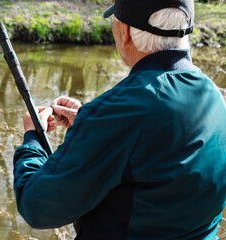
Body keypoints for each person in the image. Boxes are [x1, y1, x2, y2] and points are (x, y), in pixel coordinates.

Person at [13, 0, 226, 239]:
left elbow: (37, 207)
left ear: (124, 32)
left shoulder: (119, 111)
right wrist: (90, 127)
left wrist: (32, 138)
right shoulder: (212, 96)